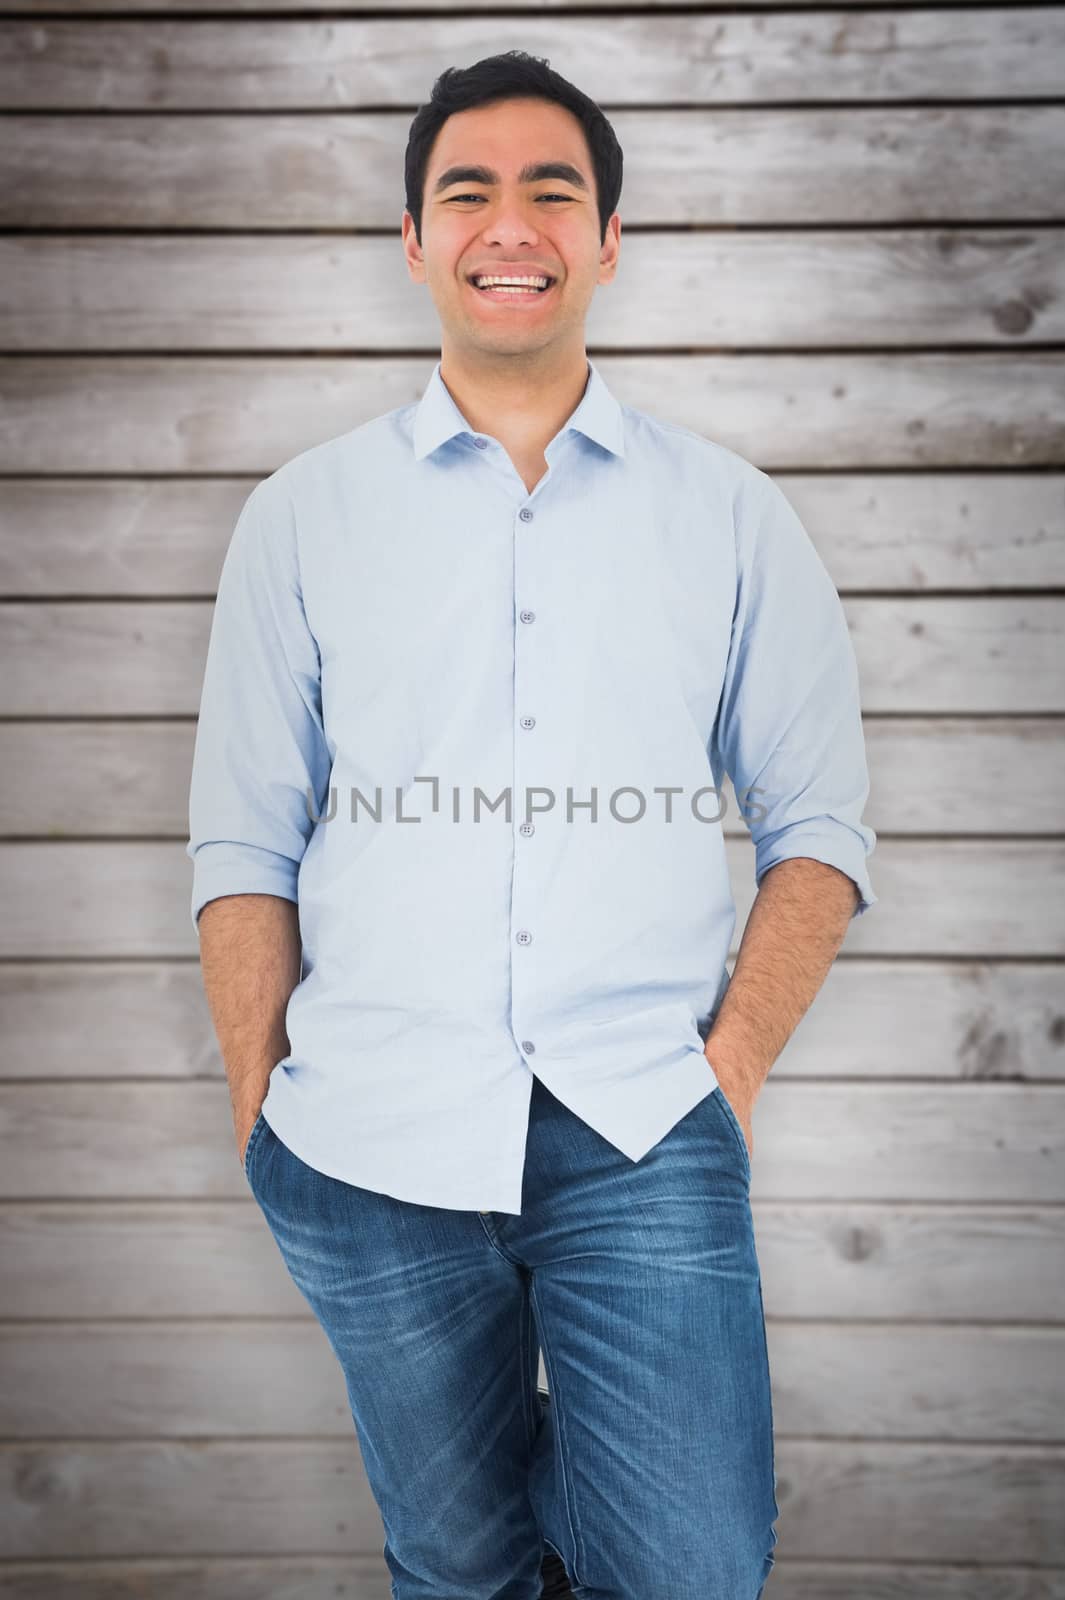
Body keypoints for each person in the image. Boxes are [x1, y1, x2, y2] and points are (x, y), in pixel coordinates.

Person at [188, 49, 877, 1600]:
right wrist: (261, 1116)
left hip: (641, 1125)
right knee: (456, 1568)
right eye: (468, 192)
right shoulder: (302, 516)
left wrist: (730, 1074)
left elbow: (819, 827)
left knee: (694, 1568)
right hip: (366, 1138)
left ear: (609, 239)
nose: (513, 224)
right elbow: (243, 840)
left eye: (552, 191)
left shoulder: (729, 516)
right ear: (415, 242)